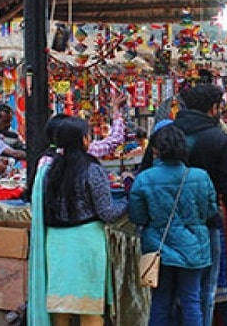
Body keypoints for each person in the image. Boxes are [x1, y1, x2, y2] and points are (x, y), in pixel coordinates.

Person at [33, 116, 128, 326]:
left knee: (60, 306)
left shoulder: (49, 169)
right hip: (86, 242)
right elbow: (108, 213)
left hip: (56, 243)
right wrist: (129, 201)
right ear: (85, 140)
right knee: (90, 309)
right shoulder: (92, 170)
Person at [173, 84, 227, 325]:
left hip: (171, 218)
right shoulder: (219, 139)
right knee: (211, 283)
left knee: (174, 285)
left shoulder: (167, 134)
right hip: (209, 217)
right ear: (213, 108)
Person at [129, 125, 217, 326]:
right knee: (191, 300)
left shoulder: (144, 179)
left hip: (158, 249)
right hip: (194, 247)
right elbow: (210, 211)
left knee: (160, 301)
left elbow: (138, 217)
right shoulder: (200, 176)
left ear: (156, 150)